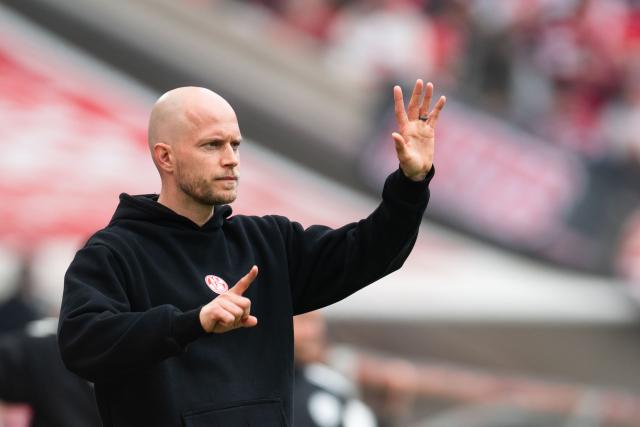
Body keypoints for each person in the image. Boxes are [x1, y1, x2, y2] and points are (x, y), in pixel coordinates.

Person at [58, 80, 446, 427]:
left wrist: (411, 183)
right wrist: (191, 323)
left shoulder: (268, 240)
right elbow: (83, 345)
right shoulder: (112, 252)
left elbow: (370, 251)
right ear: (166, 157)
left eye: (235, 144)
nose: (231, 158)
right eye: (212, 145)